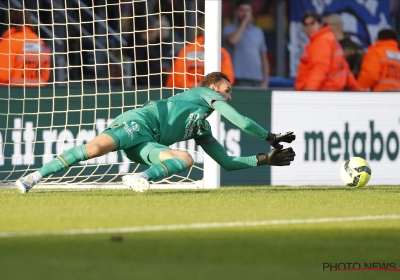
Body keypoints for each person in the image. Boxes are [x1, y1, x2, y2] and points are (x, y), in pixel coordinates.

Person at [15, 72, 296, 193]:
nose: (229, 96)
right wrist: (270, 137)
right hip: (140, 122)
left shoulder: (203, 125)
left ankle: (140, 178)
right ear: (213, 88)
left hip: (148, 143)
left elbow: (226, 162)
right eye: (226, 90)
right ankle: (33, 177)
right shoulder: (201, 94)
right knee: (94, 149)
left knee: (185, 158)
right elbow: (243, 122)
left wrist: (262, 159)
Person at [295, 11, 362, 91]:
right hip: (329, 91)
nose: (309, 27)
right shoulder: (330, 38)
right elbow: (344, 68)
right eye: (306, 25)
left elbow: (320, 68)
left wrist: (310, 90)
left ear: (320, 24)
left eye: (312, 23)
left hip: (321, 91)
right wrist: (358, 89)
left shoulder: (321, 41)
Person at [165, 22, 235, 88]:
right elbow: (228, 79)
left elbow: (178, 79)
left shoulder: (186, 50)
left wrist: (196, 86)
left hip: (185, 94)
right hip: (212, 93)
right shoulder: (222, 52)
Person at [222, 0, 269, 88]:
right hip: (236, 77)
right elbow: (233, 41)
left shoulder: (258, 32)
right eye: (242, 10)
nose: (245, 13)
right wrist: (244, 23)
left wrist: (265, 80)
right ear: (236, 12)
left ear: (251, 12)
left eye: (247, 10)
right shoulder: (228, 29)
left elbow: (264, 58)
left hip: (256, 78)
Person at [0, 8, 50, 86]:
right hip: (38, 94)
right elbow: (45, 76)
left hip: (13, 95)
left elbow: (2, 76)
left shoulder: (9, 42)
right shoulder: (41, 43)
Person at [325, 13, 364, 78]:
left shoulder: (355, 48)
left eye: (326, 25)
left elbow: (358, 70)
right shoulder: (325, 46)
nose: (324, 28)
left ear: (335, 26)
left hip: (347, 85)